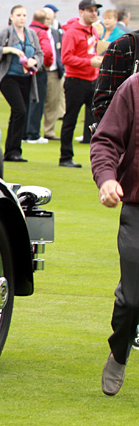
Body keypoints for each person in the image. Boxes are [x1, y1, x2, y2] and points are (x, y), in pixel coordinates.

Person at [91, 71, 139, 395]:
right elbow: (106, 140)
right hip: (137, 207)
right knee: (132, 300)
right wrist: (107, 178)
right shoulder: (134, 88)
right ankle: (119, 352)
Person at [0, 4, 41, 162]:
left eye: (24, 15)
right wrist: (10, 50)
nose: (22, 18)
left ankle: (13, 151)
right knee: (20, 110)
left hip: (26, 78)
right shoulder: (6, 33)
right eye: (18, 15)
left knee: (20, 114)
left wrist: (34, 61)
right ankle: (13, 151)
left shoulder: (31, 34)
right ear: (11, 17)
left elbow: (39, 54)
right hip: (8, 77)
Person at [58, 0, 104, 167]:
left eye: (95, 10)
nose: (94, 13)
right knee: (70, 119)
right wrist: (89, 62)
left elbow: (92, 52)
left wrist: (96, 62)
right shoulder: (72, 32)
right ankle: (65, 157)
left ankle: (98, 158)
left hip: (93, 79)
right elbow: (66, 58)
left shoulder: (94, 31)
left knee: (95, 120)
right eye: (90, 10)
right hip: (76, 80)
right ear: (81, 12)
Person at [25, 9, 55, 143]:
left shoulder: (26, 30)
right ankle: (33, 134)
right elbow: (47, 52)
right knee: (37, 101)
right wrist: (47, 64)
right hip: (39, 69)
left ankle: (24, 133)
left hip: (25, 69)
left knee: (26, 102)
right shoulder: (42, 33)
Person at [42, 5, 66, 140]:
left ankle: (49, 131)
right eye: (46, 18)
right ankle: (30, 132)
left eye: (50, 18)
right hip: (41, 71)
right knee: (37, 103)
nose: (48, 21)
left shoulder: (57, 32)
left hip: (55, 71)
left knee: (53, 102)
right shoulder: (36, 31)